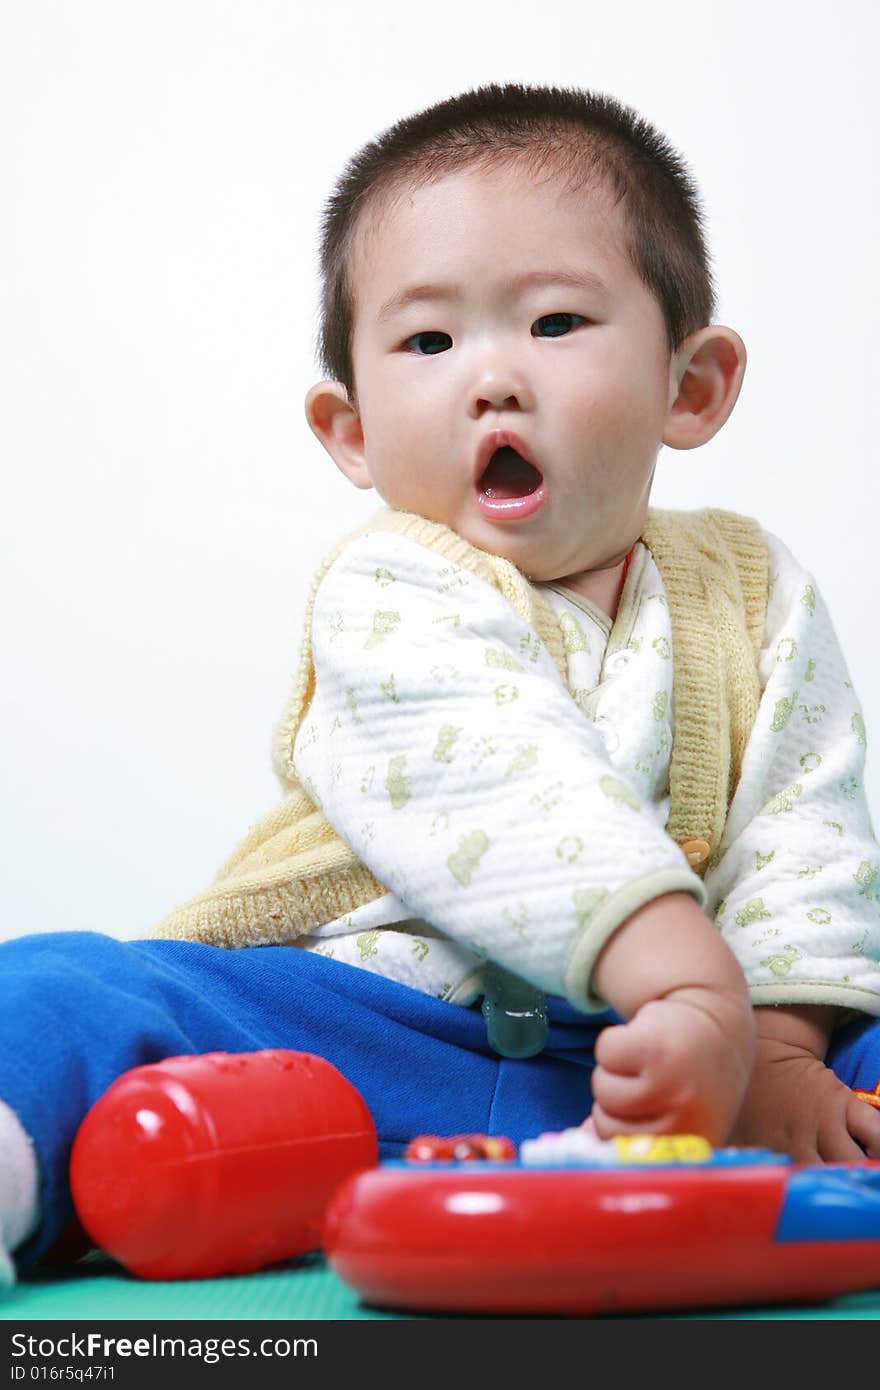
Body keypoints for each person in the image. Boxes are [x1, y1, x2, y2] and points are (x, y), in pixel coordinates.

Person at [2, 82, 879, 1288]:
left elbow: (802, 828)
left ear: (691, 384)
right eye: (428, 341)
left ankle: (753, 1162)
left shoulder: (754, 589)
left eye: (557, 322)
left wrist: (773, 1053)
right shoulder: (388, 588)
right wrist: (684, 978)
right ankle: (39, 1165)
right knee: (68, 991)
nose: (493, 378)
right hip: (361, 1030)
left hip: (646, 1064)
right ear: (351, 429)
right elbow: (505, 786)